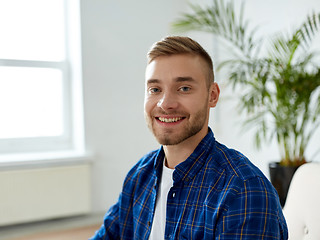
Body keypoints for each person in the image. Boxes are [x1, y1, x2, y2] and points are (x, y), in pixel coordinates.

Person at [90, 36, 288, 240]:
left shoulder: (243, 190)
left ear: (212, 95)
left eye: (184, 88)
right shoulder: (140, 175)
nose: (165, 104)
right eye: (155, 90)